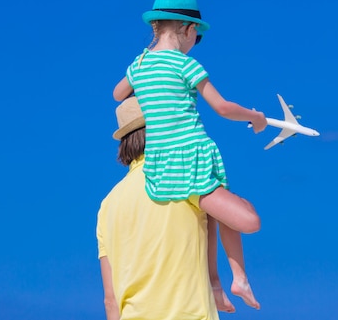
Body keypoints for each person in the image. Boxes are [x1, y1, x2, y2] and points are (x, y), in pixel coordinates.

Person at [113, 0, 267, 309]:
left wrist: (143, 79)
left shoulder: (139, 65)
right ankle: (239, 278)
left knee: (209, 216)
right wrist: (256, 116)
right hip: (192, 156)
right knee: (246, 217)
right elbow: (223, 107)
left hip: (160, 166)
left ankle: (216, 286)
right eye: (197, 35)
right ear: (187, 29)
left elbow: (118, 93)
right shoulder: (186, 65)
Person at [97, 97, 260, 319]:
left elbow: (111, 301)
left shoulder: (108, 205)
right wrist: (220, 185)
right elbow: (248, 221)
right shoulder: (180, 173)